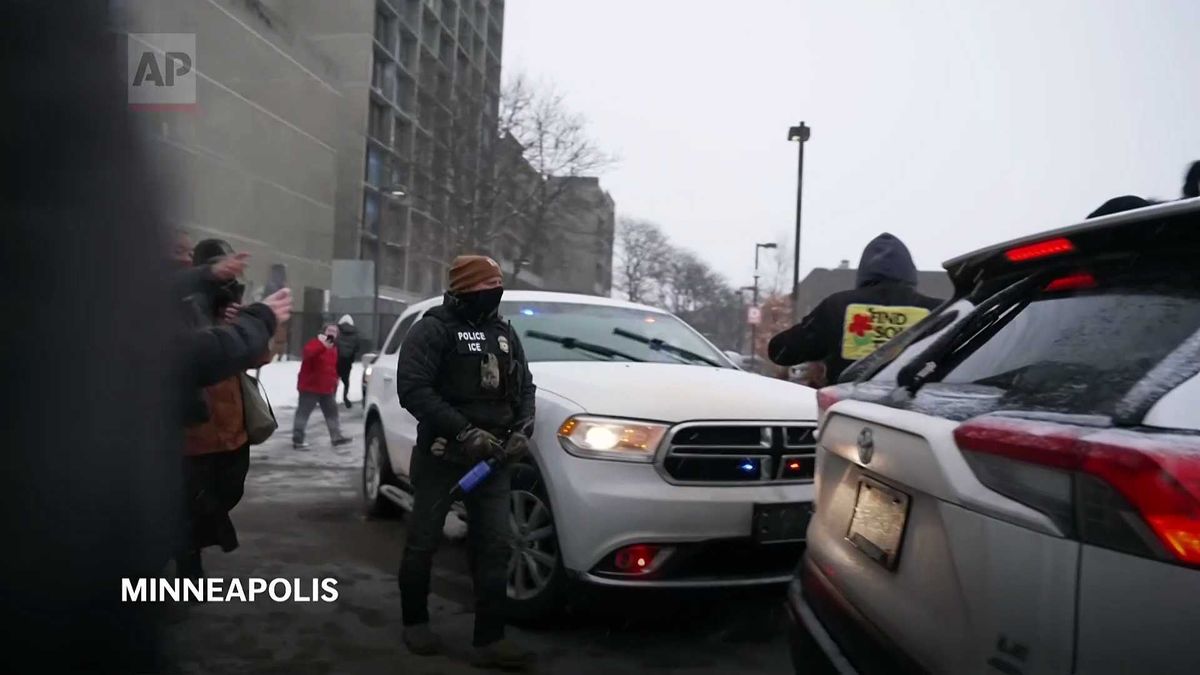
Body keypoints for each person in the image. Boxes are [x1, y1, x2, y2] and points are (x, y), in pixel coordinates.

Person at [395, 255, 536, 670]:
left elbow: (525, 385)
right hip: (444, 455)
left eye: (498, 282)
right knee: (424, 539)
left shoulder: (504, 332)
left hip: (492, 460)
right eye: (487, 283)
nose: (496, 289)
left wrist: (523, 429)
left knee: (494, 545)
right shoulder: (433, 330)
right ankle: (415, 622)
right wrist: (464, 432)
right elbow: (414, 390)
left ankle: (491, 638)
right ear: (464, 288)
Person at [177, 239, 278, 579]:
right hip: (195, 432)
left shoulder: (235, 306)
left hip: (234, 431)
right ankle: (189, 571)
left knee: (227, 494)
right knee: (191, 508)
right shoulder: (180, 306)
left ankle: (199, 539)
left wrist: (242, 327)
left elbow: (262, 356)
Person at [768, 233, 942, 384]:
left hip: (850, 409)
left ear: (864, 271)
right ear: (910, 272)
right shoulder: (937, 311)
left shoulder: (838, 306)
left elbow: (782, 352)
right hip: (913, 411)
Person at [293, 323, 352, 449]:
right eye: (329, 330)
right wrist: (322, 346)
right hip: (310, 387)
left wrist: (334, 380)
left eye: (334, 332)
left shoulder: (333, 348)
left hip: (326, 388)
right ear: (324, 331)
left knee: (332, 412)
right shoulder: (315, 343)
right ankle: (298, 439)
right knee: (303, 413)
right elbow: (308, 354)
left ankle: (336, 437)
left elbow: (331, 368)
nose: (332, 333)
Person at [335, 313, 363, 408]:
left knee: (334, 379)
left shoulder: (337, 331)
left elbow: (333, 343)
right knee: (346, 381)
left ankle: (332, 397)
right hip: (348, 361)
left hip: (336, 360)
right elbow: (358, 347)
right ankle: (345, 397)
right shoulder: (355, 333)